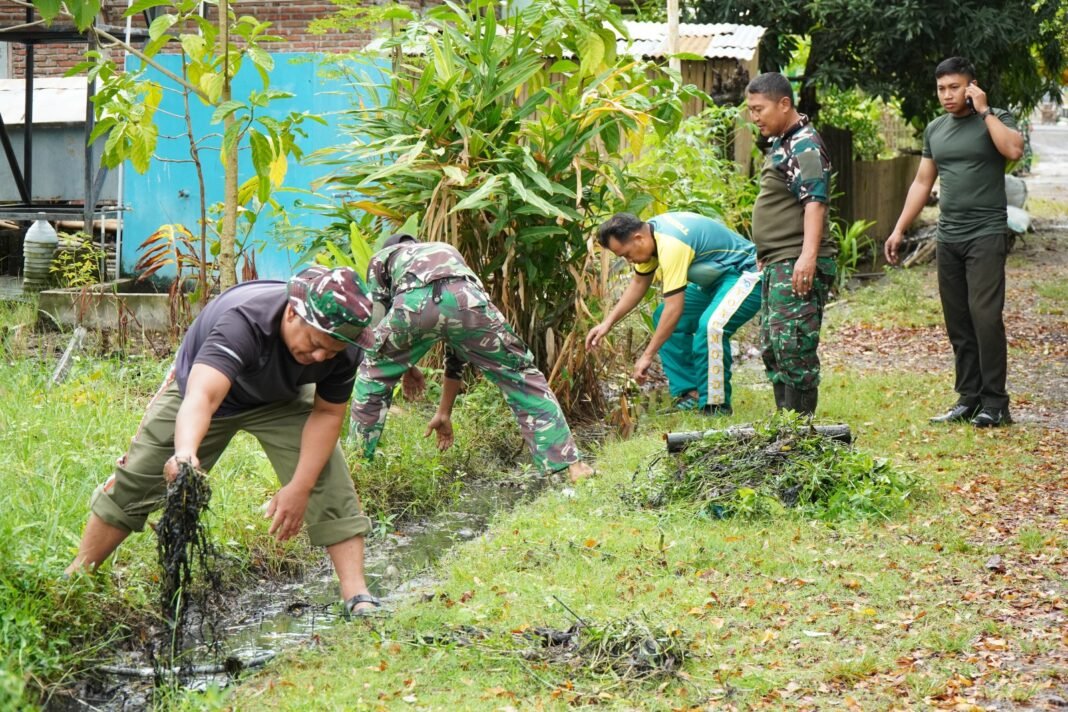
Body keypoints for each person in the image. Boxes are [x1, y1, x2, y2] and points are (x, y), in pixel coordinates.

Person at [66, 266, 383, 617]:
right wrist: (185, 454)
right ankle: (77, 578)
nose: (322, 357)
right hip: (206, 396)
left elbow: (326, 415)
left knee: (326, 476)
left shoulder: (344, 345)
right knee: (140, 476)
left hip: (282, 399)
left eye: (331, 351)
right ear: (293, 312)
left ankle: (357, 596)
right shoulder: (244, 322)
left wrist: (300, 486)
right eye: (314, 345)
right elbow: (203, 397)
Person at [349, 234, 594, 483]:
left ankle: (357, 467)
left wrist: (399, 363)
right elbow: (457, 346)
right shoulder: (444, 250)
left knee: (372, 376)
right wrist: (442, 409)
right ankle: (573, 467)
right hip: (468, 301)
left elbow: (379, 324)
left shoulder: (382, 258)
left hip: (414, 305)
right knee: (521, 376)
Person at [885, 57, 1023, 428]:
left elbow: (1013, 150)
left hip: (986, 233)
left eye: (955, 87)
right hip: (949, 235)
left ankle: (996, 402)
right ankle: (969, 398)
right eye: (941, 88)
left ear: (972, 86)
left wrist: (985, 111)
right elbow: (921, 183)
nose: (947, 95)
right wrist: (899, 228)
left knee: (985, 316)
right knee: (958, 319)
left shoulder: (995, 118)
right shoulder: (935, 129)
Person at [585, 212, 762, 415]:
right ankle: (691, 393)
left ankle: (715, 406)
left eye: (626, 254)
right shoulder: (650, 238)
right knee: (662, 318)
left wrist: (647, 356)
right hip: (717, 281)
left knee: (711, 326)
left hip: (746, 272)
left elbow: (674, 308)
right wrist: (607, 323)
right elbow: (638, 283)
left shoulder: (671, 244)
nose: (628, 261)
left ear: (638, 238)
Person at [745, 72, 837, 415]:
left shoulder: (805, 144)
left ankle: (801, 433)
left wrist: (807, 256)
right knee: (773, 345)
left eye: (759, 109)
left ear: (784, 104)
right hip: (778, 261)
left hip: (795, 260)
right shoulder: (784, 143)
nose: (754, 117)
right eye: (750, 110)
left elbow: (815, 201)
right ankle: (786, 426)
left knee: (793, 345)